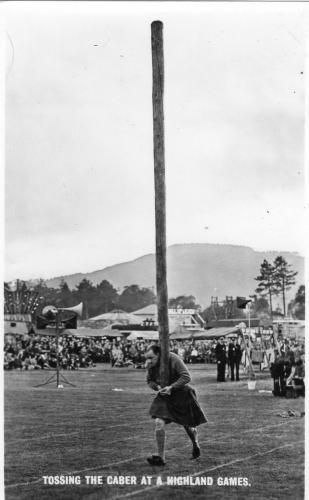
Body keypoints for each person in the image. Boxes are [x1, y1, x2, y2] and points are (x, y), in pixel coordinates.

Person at [145, 344, 207, 466]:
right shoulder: (151, 364)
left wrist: (172, 387)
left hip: (181, 394)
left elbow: (186, 376)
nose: (148, 361)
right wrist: (157, 387)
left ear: (158, 355)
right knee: (159, 422)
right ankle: (161, 458)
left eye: (151, 357)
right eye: (147, 358)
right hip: (165, 395)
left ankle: (195, 444)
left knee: (188, 425)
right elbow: (149, 381)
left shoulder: (173, 358)